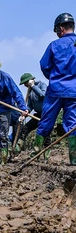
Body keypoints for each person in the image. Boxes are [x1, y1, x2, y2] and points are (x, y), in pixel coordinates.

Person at [34, 12, 76, 166]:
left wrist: (53, 77)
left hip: (56, 89)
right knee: (72, 124)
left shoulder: (54, 45)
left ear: (61, 28)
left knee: (46, 121)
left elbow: (44, 66)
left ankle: (36, 153)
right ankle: (74, 159)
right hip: (74, 91)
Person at [16, 72, 51, 160]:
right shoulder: (30, 91)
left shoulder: (41, 85)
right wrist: (26, 112)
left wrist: (33, 86)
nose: (25, 85)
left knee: (46, 136)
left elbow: (43, 95)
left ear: (30, 81)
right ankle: (16, 150)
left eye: (25, 83)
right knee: (25, 129)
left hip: (46, 114)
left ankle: (46, 157)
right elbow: (30, 105)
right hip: (37, 114)